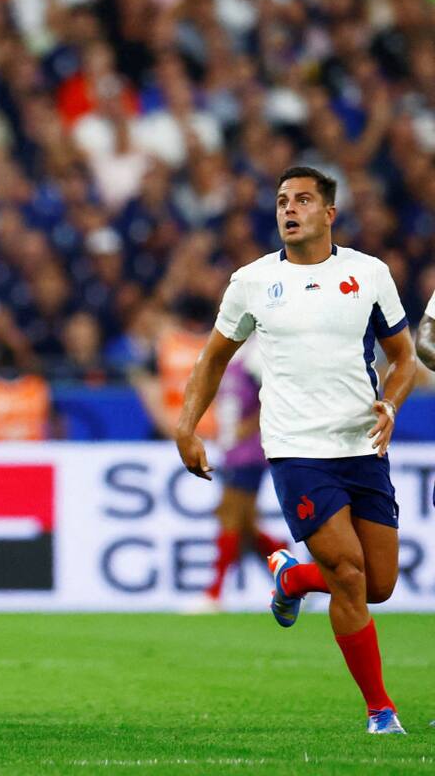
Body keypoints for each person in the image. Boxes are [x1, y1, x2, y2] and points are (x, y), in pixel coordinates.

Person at [176, 166, 417, 735]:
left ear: (329, 213)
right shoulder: (252, 282)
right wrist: (188, 426)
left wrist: (392, 404)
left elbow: (405, 358)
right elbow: (212, 359)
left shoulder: (369, 274)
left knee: (378, 584)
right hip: (295, 451)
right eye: (283, 200)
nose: (289, 209)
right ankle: (381, 710)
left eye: (303, 200)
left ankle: (293, 578)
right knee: (352, 576)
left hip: (362, 448)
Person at [199, 336, 287, 610]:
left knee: (229, 516)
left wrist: (245, 430)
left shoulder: (256, 356)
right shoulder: (231, 356)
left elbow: (274, 398)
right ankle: (295, 579)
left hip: (248, 452)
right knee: (246, 527)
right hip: (232, 451)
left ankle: (214, 594)